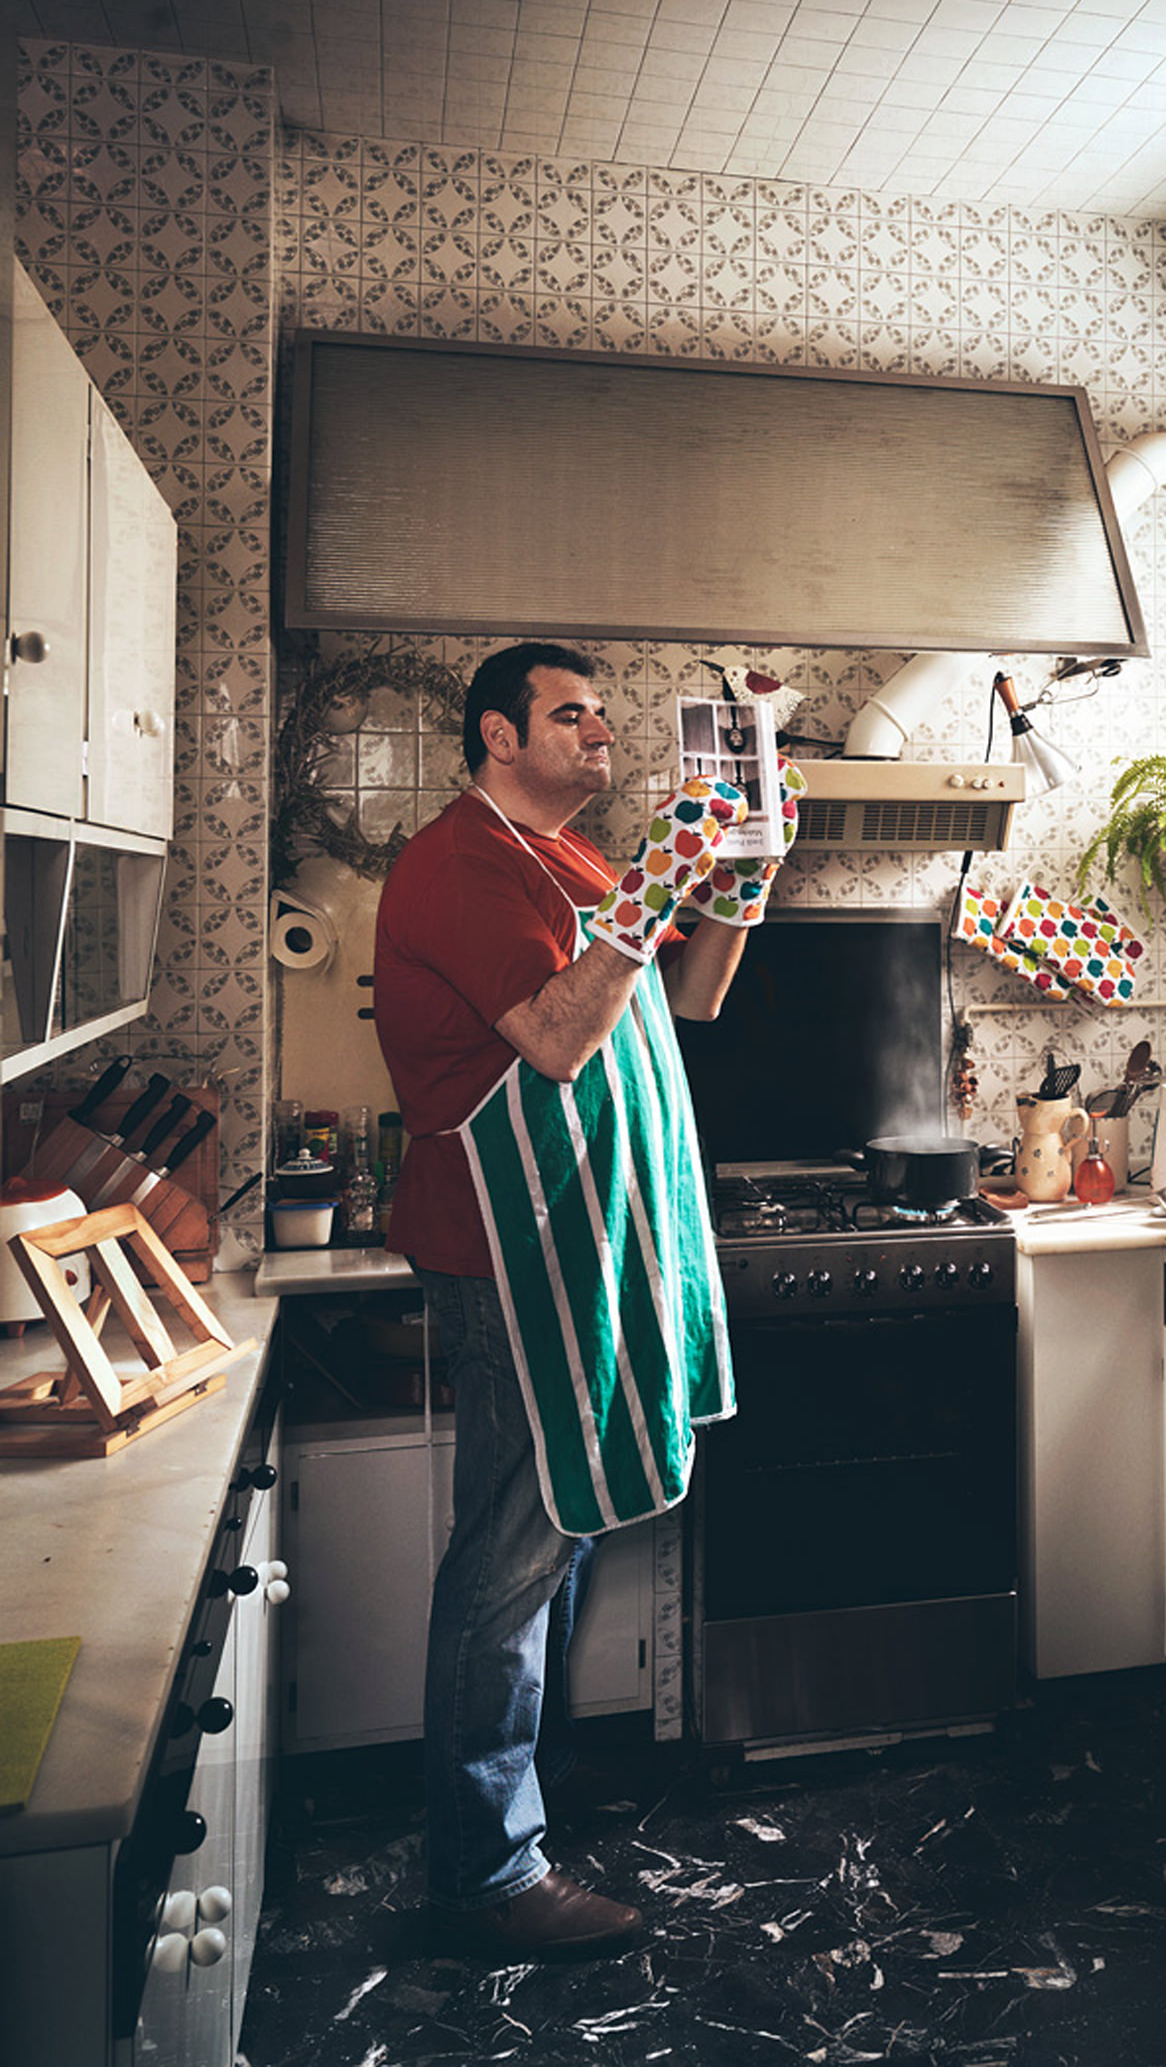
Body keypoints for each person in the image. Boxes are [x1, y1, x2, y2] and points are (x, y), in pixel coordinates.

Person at [373, 642, 798, 1957]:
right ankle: (484, 1874)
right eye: (573, 714)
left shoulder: (574, 858)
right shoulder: (460, 862)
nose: (602, 731)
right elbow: (556, 1038)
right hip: (511, 1254)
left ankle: (520, 1815)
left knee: (553, 1539)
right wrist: (653, 891)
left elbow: (691, 1000)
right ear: (499, 734)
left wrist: (740, 880)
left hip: (584, 1245)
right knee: (509, 1561)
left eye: (605, 713)